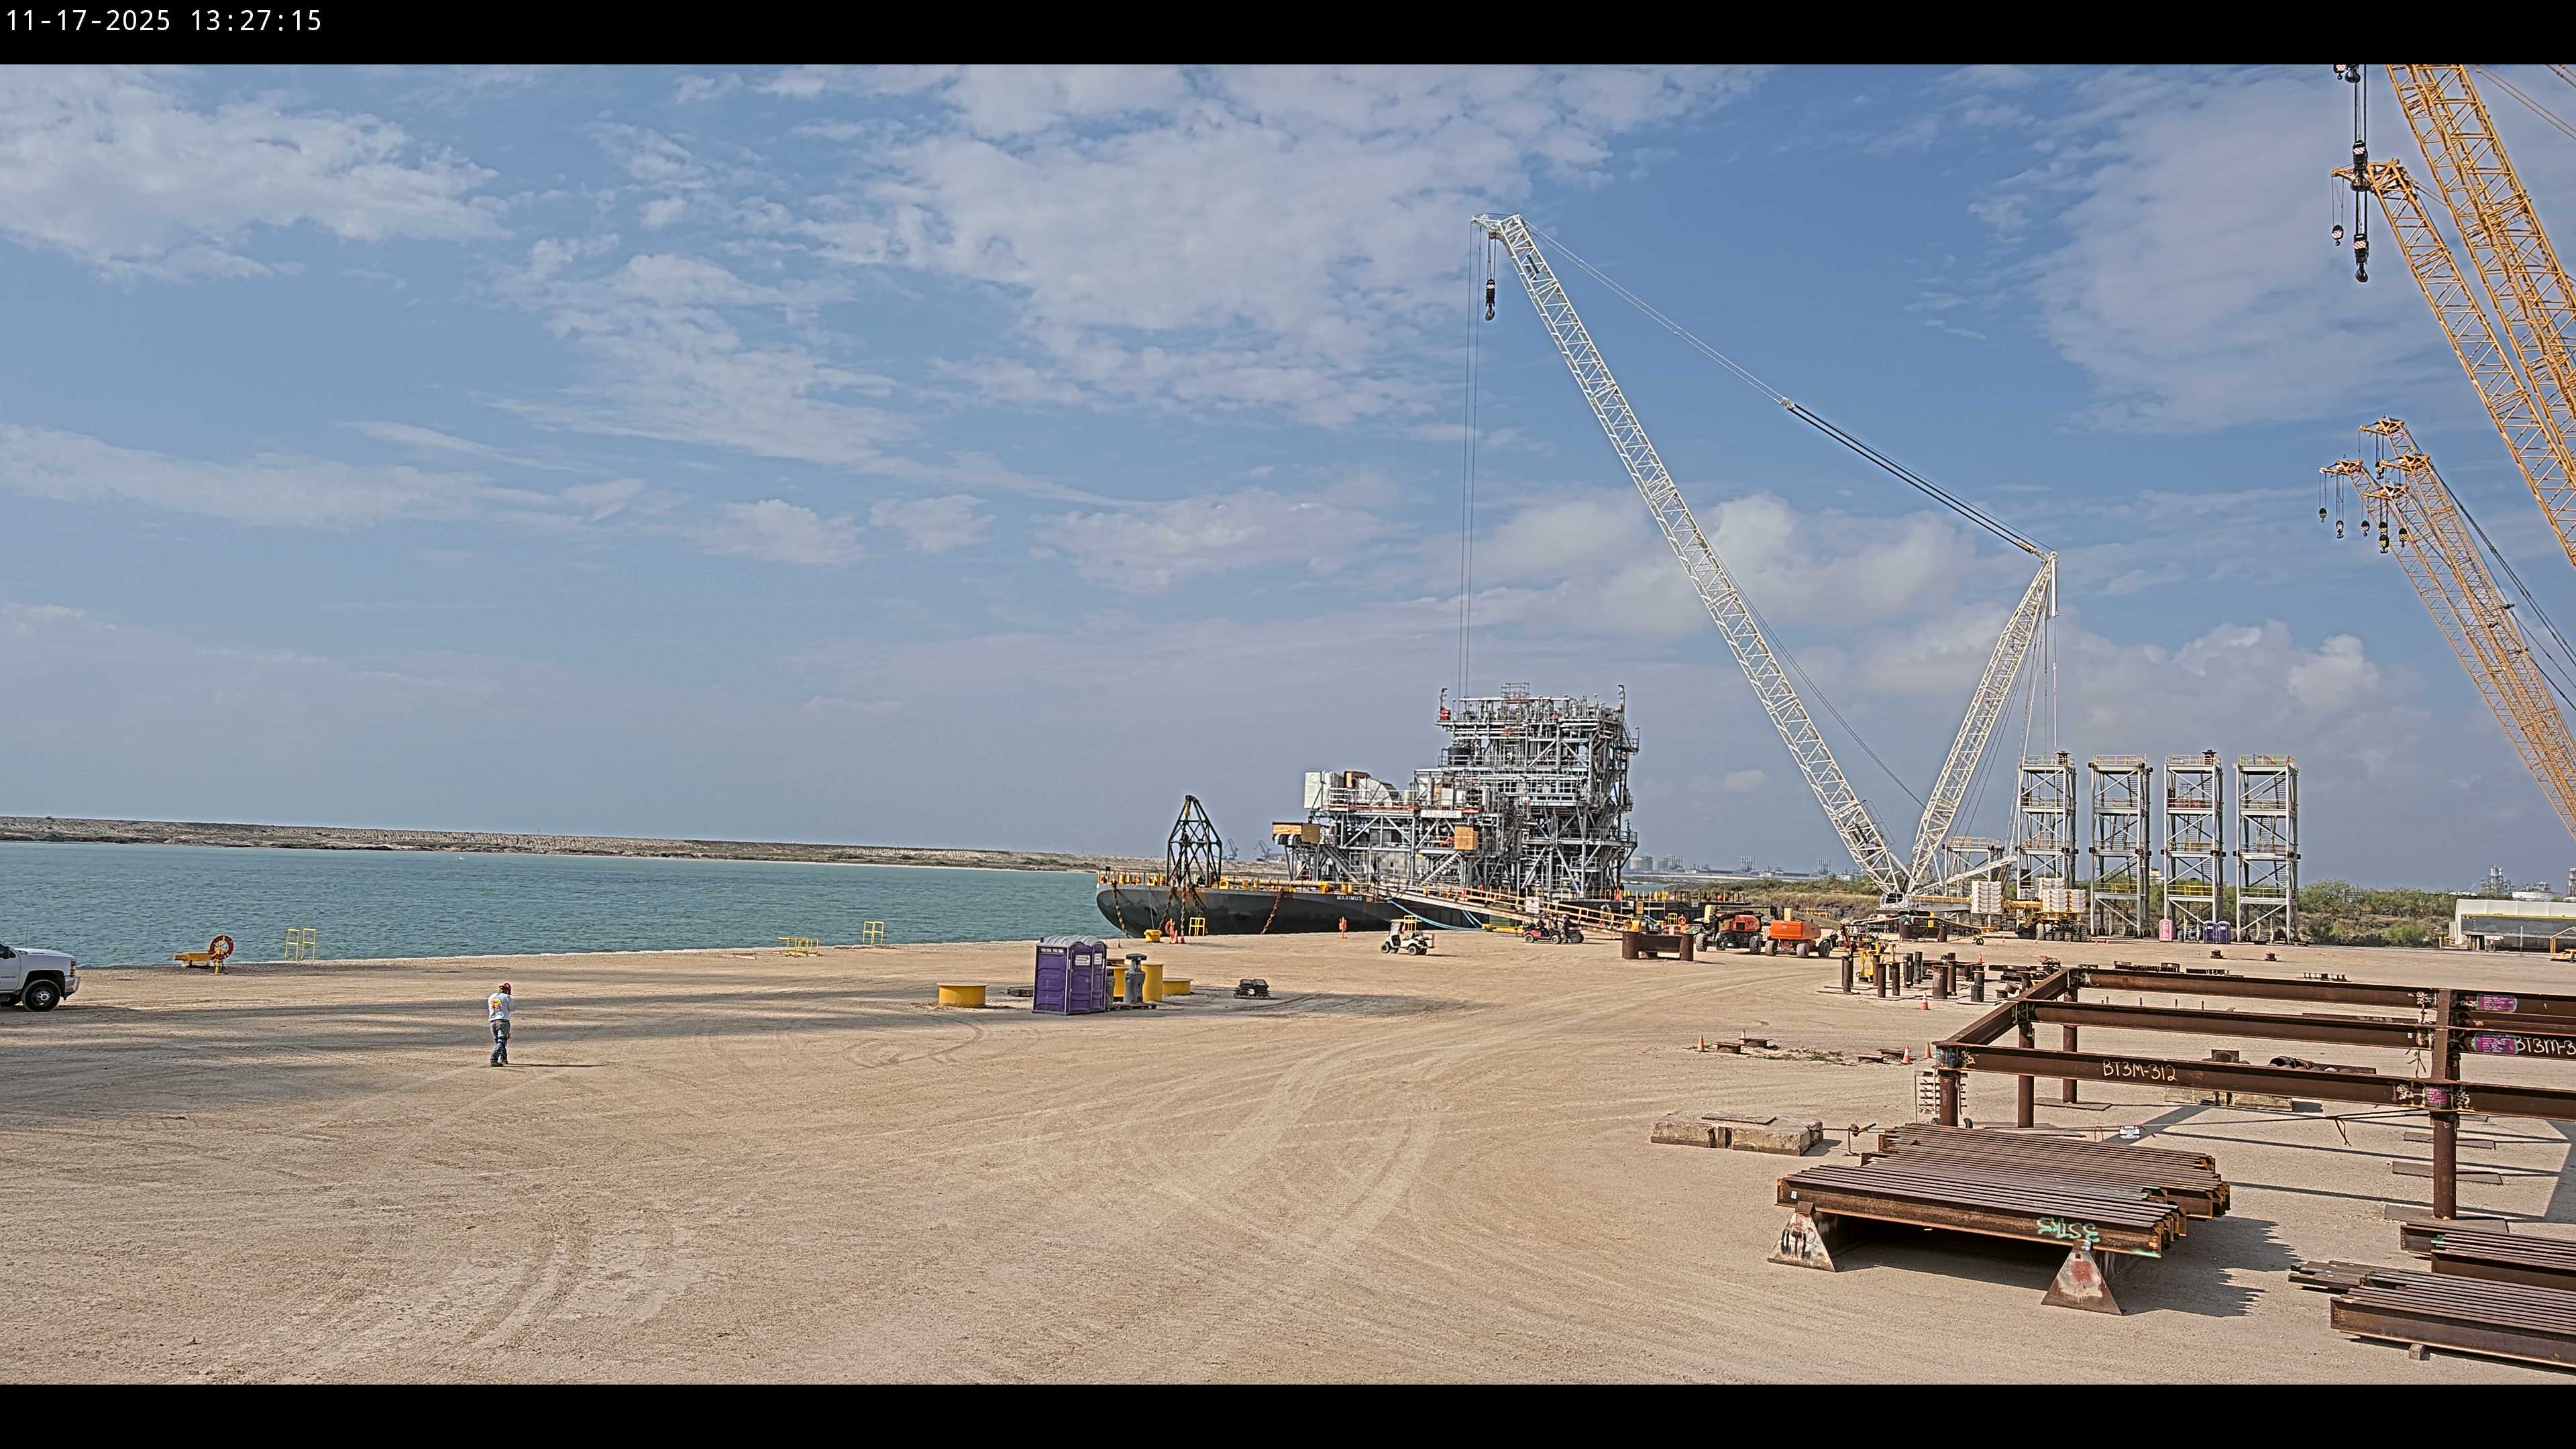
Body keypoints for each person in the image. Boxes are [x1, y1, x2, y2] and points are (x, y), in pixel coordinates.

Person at [488, 981, 516, 1067]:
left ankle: (503, 1058)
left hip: (492, 1022)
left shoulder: (491, 997)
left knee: (499, 1041)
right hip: (503, 1022)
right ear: (507, 991)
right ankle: (494, 1058)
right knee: (502, 1041)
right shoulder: (507, 997)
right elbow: (512, 1008)